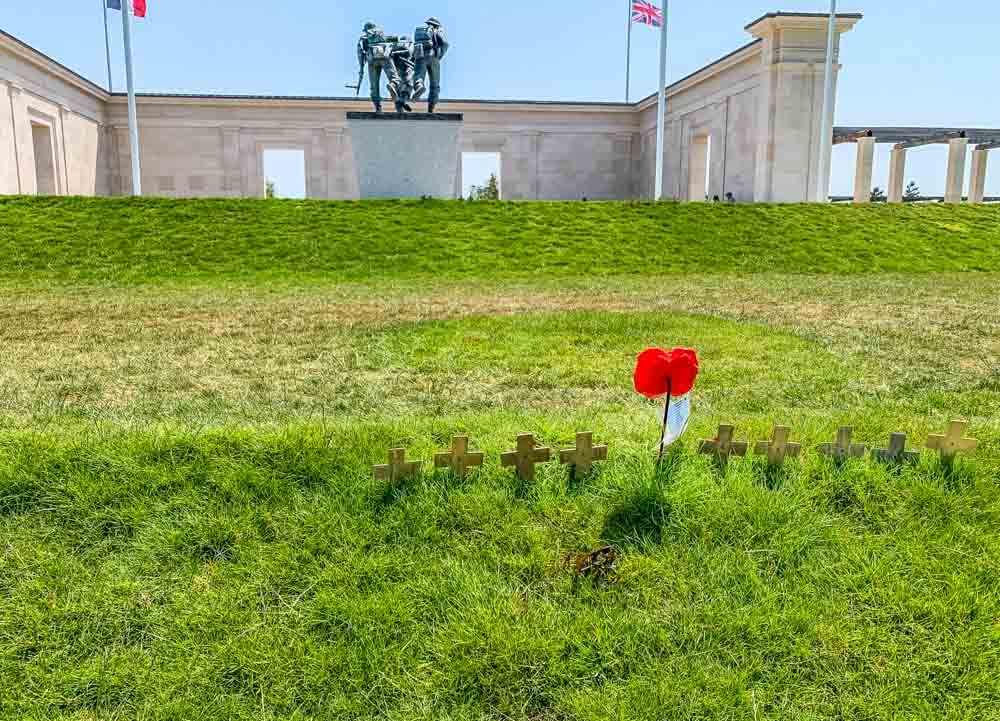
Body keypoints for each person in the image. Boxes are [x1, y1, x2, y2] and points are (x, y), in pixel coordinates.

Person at [357, 22, 400, 113]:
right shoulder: (382, 35)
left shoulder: (364, 39)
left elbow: (360, 54)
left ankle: (378, 108)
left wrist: (361, 67)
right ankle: (392, 86)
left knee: (374, 86)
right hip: (385, 57)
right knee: (394, 78)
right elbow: (395, 43)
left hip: (372, 60)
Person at [412, 17, 449, 113]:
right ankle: (431, 107)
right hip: (433, 56)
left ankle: (419, 86)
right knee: (435, 83)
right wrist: (439, 56)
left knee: (418, 76)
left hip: (420, 54)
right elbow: (445, 43)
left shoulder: (419, 31)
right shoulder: (437, 30)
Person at [390, 35, 416, 113]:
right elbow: (414, 58)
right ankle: (402, 100)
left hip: (396, 69)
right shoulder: (410, 46)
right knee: (409, 85)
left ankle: (399, 110)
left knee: (397, 90)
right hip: (406, 68)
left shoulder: (395, 47)